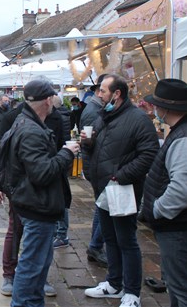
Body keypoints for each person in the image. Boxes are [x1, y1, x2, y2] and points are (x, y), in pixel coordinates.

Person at [0, 79, 78, 307]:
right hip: (37, 206)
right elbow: (42, 173)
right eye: (53, 97)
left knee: (38, 263)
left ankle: (32, 302)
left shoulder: (27, 122)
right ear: (47, 100)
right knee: (32, 265)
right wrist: (66, 153)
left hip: (36, 204)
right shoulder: (31, 129)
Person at [83, 75, 159, 307]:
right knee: (109, 237)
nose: (99, 94)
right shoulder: (103, 116)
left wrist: (121, 175)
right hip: (102, 189)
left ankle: (132, 292)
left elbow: (149, 153)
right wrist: (87, 150)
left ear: (117, 94)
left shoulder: (138, 119)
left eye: (103, 90)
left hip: (123, 189)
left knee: (126, 240)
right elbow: (95, 146)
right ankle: (113, 284)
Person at [138, 79, 187, 307]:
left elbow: (182, 189)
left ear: (166, 108)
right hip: (175, 225)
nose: (155, 110)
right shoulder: (180, 133)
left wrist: (156, 210)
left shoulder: (183, 138)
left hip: (177, 227)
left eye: (157, 105)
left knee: (181, 288)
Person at [80, 74, 109, 267]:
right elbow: (89, 142)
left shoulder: (97, 109)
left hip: (98, 164)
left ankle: (95, 245)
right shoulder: (93, 111)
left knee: (102, 204)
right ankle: (96, 245)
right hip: (96, 165)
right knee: (103, 205)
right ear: (99, 91)